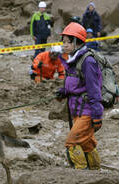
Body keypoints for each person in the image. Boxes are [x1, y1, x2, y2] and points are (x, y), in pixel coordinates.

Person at [55, 22, 102, 170]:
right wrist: (63, 92)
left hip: (87, 110)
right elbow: (75, 84)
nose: (65, 45)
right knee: (86, 143)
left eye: (68, 42)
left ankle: (80, 176)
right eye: (64, 42)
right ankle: (95, 172)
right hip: (77, 109)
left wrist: (97, 116)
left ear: (78, 43)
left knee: (72, 142)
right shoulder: (72, 59)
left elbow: (95, 90)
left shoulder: (88, 61)